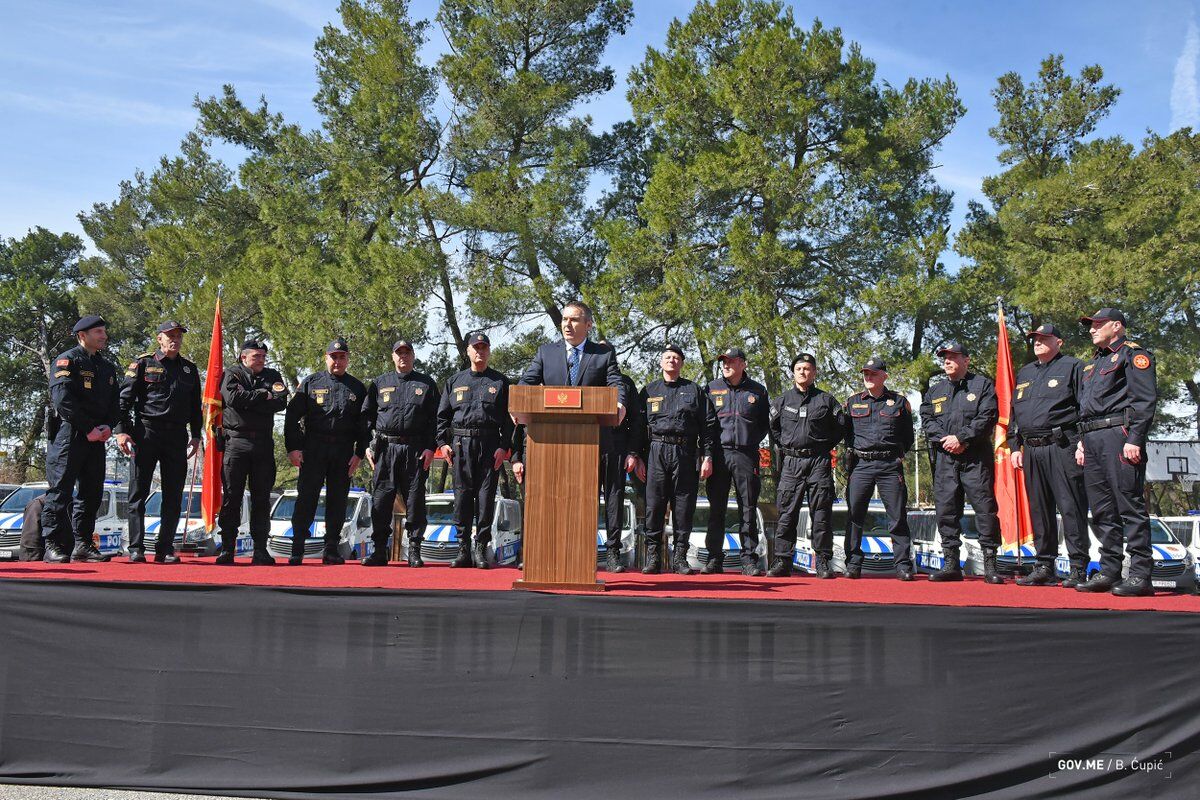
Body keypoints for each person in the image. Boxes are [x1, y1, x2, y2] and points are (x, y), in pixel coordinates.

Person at [515, 301, 629, 571]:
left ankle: (588, 559)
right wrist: (517, 402)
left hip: (590, 443)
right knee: (546, 499)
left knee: (587, 504)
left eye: (574, 320)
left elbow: (615, 382)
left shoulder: (602, 355)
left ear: (588, 325)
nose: (567, 324)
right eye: (564, 319)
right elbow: (527, 381)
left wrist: (619, 402)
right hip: (550, 443)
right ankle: (539, 557)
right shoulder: (546, 352)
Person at [1074, 308, 1158, 597]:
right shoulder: (1092, 364)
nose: (1092, 329)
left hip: (1119, 436)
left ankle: (1140, 574)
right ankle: (1109, 570)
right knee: (1101, 510)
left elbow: (1144, 400)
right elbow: (1085, 407)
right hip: (1092, 438)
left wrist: (1135, 438)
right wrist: (1082, 441)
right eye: (1090, 325)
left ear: (1117, 326)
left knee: (1129, 505)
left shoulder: (1133, 354)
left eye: (1098, 324)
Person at [1009, 323, 1089, 588]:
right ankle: (1044, 565)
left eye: (1044, 338)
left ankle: (1078, 567)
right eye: (1035, 338)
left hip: (1062, 445)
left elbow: (1085, 407)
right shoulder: (1025, 372)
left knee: (1070, 506)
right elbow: (1014, 413)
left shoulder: (1073, 367)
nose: (1037, 342)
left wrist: (1083, 441)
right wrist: (1014, 446)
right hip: (1031, 449)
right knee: (1039, 509)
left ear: (1059, 342)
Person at [115, 321, 202, 564]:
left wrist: (196, 435)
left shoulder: (189, 369)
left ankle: (165, 548)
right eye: (170, 336)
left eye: (178, 336)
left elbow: (195, 407)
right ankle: (136, 548)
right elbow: (124, 400)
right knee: (138, 493)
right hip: (146, 433)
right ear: (159, 339)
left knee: (173, 495)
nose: (175, 339)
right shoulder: (143, 364)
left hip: (176, 436)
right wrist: (121, 432)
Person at [628, 344, 718, 575]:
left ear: (682, 363)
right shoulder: (649, 390)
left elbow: (708, 426)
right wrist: (636, 456)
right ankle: (653, 558)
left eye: (676, 357)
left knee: (683, 506)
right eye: (667, 357)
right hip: (655, 451)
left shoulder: (694, 390)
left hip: (685, 452)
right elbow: (638, 427)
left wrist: (707, 456)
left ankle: (680, 558)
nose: (672, 360)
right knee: (654, 505)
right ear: (661, 362)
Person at [921, 342, 1003, 584]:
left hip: (975, 457)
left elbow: (987, 416)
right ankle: (951, 564)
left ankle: (990, 564)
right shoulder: (934, 391)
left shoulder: (982, 385)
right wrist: (947, 441)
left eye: (953, 356)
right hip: (946, 458)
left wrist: (962, 438)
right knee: (946, 510)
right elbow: (927, 420)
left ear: (966, 360)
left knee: (985, 509)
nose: (947, 361)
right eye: (944, 357)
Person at [41, 314, 120, 563]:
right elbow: (63, 400)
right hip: (70, 435)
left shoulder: (106, 367)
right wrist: (88, 429)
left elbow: (115, 403)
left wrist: (108, 426)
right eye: (99, 332)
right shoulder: (67, 360)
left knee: (92, 492)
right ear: (82, 335)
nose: (104, 336)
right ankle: (52, 544)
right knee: (60, 491)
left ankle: (83, 544)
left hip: (96, 438)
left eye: (104, 331)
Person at [283, 338, 369, 566]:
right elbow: (292, 416)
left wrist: (359, 453)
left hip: (343, 450)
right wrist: (293, 447)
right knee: (306, 498)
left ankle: (331, 548)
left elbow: (365, 424)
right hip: (314, 448)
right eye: (334, 357)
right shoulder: (311, 382)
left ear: (348, 359)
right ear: (326, 358)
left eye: (342, 357)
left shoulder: (357, 388)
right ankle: (297, 548)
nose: (337, 361)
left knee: (338, 501)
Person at [436, 332, 514, 569]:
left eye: (483, 347)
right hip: (461, 445)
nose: (480, 351)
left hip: (489, 445)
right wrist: (443, 443)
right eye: (476, 347)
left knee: (485, 498)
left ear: (489, 351)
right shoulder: (454, 381)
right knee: (462, 497)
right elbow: (442, 417)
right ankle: (463, 548)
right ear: (468, 351)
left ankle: (480, 547)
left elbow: (510, 421)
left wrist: (504, 447)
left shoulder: (500, 382)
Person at [361, 339, 440, 567]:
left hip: (415, 450)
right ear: (393, 356)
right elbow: (366, 417)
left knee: (415, 501)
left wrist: (430, 447)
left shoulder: (426, 384)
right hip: (386, 450)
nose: (403, 356)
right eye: (399, 353)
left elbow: (436, 420)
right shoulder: (380, 383)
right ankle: (379, 550)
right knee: (381, 500)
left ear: (413, 356)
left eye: (407, 353)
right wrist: (367, 445)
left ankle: (414, 550)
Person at [767, 352, 844, 578]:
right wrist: (787, 445)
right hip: (791, 462)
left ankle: (822, 561)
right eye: (799, 369)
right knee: (786, 513)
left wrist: (822, 446)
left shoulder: (826, 400)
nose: (803, 372)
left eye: (807, 369)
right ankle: (783, 561)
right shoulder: (782, 401)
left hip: (819, 461)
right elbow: (773, 428)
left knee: (821, 513)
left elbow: (840, 428)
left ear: (814, 373)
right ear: (793, 373)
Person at [843, 357, 916, 580]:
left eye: (873, 373)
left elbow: (908, 437)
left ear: (885, 376)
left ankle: (902, 565)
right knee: (854, 515)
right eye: (866, 373)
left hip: (889, 465)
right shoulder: (852, 402)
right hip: (861, 465)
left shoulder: (899, 402)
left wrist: (893, 454)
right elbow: (846, 435)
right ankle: (853, 564)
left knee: (897, 516)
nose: (868, 377)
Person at [216, 339, 288, 565]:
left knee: (261, 498)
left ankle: (260, 549)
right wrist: (263, 395)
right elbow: (233, 399)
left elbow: (280, 402)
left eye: (263, 356)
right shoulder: (232, 374)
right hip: (236, 442)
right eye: (256, 356)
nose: (261, 360)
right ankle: (227, 548)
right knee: (232, 497)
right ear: (243, 357)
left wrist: (251, 398)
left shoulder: (273, 375)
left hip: (263, 443)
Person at [704, 347, 770, 575]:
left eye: (731, 361)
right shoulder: (711, 388)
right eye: (724, 361)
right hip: (719, 455)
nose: (726, 365)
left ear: (743, 364)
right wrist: (707, 455)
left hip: (746, 454)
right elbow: (706, 424)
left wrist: (749, 441)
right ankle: (714, 558)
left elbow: (764, 425)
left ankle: (749, 560)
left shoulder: (758, 390)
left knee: (748, 508)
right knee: (716, 508)